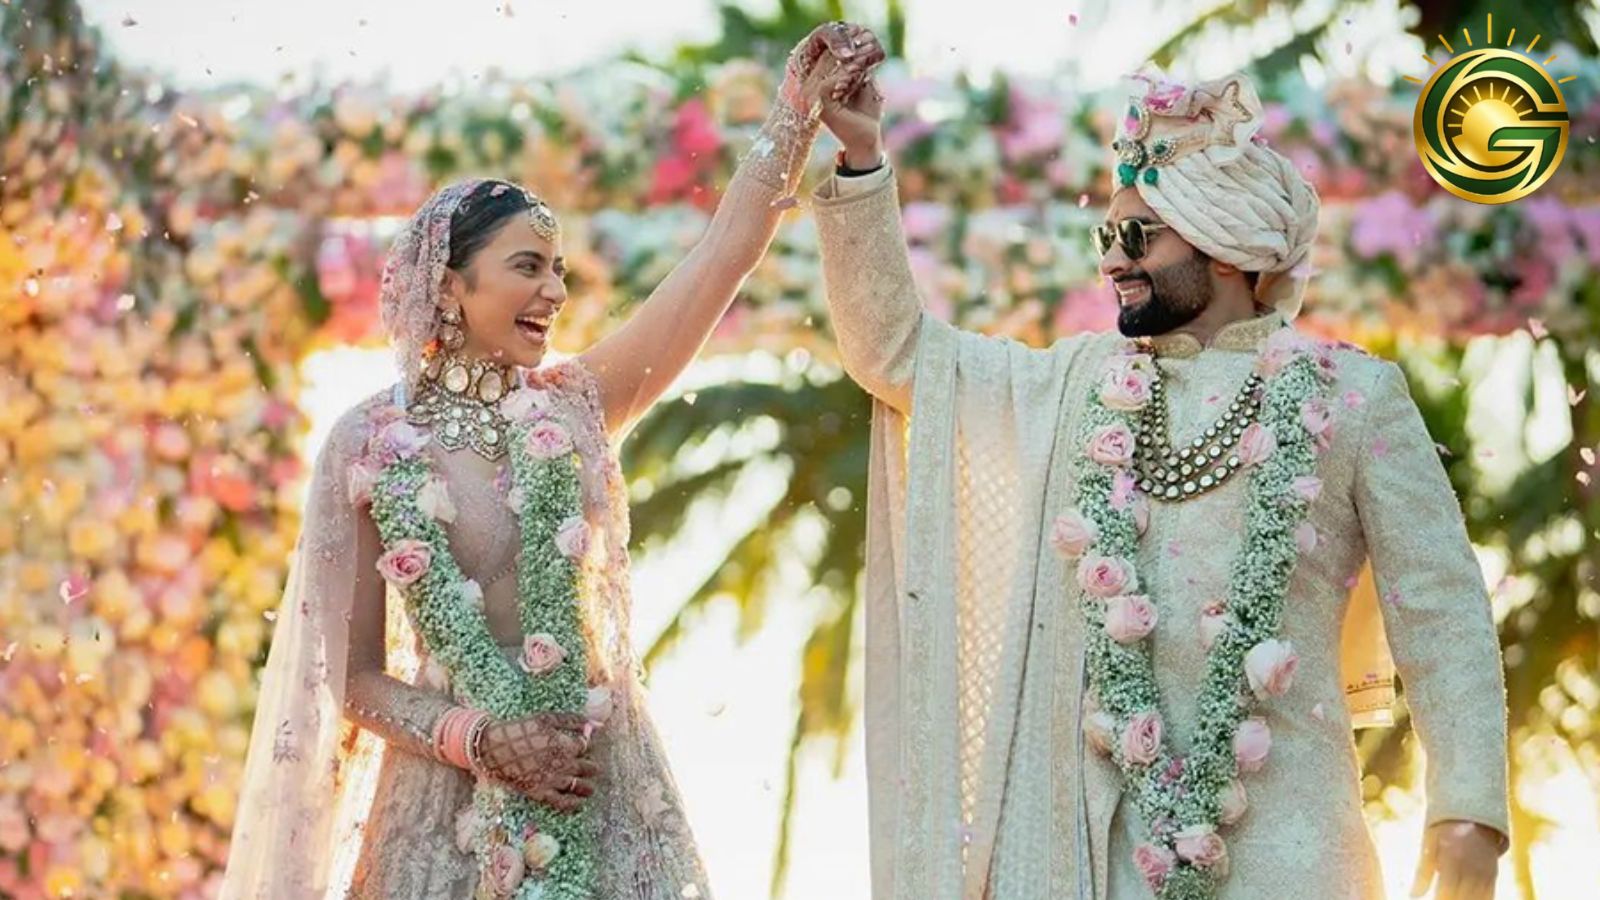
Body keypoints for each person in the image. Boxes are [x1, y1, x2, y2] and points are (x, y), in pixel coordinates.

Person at [809, 44, 1509, 900]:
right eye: (1106, 236)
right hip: (1092, 857)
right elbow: (897, 351)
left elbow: (1441, 609)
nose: (1111, 260)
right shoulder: (1072, 387)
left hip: (1292, 857)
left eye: (1138, 235)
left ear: (1225, 247)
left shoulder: (1354, 397)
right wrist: (859, 159)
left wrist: (1468, 811)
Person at [218, 23, 884, 900]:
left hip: (598, 783)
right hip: (447, 805)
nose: (556, 292)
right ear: (449, 285)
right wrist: (480, 738)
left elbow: (722, 258)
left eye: (560, 270)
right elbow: (351, 677)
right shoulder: (369, 442)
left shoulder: (577, 404)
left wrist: (796, 119)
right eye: (528, 267)